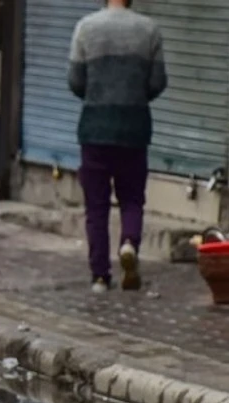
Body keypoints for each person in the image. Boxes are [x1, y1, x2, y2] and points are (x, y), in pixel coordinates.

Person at [68, 0, 167, 293]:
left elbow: (75, 81)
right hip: (134, 129)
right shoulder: (149, 30)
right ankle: (129, 244)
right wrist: (134, 96)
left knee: (96, 207)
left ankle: (100, 276)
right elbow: (158, 82)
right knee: (132, 198)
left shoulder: (86, 27)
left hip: (95, 130)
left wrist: (97, 95)